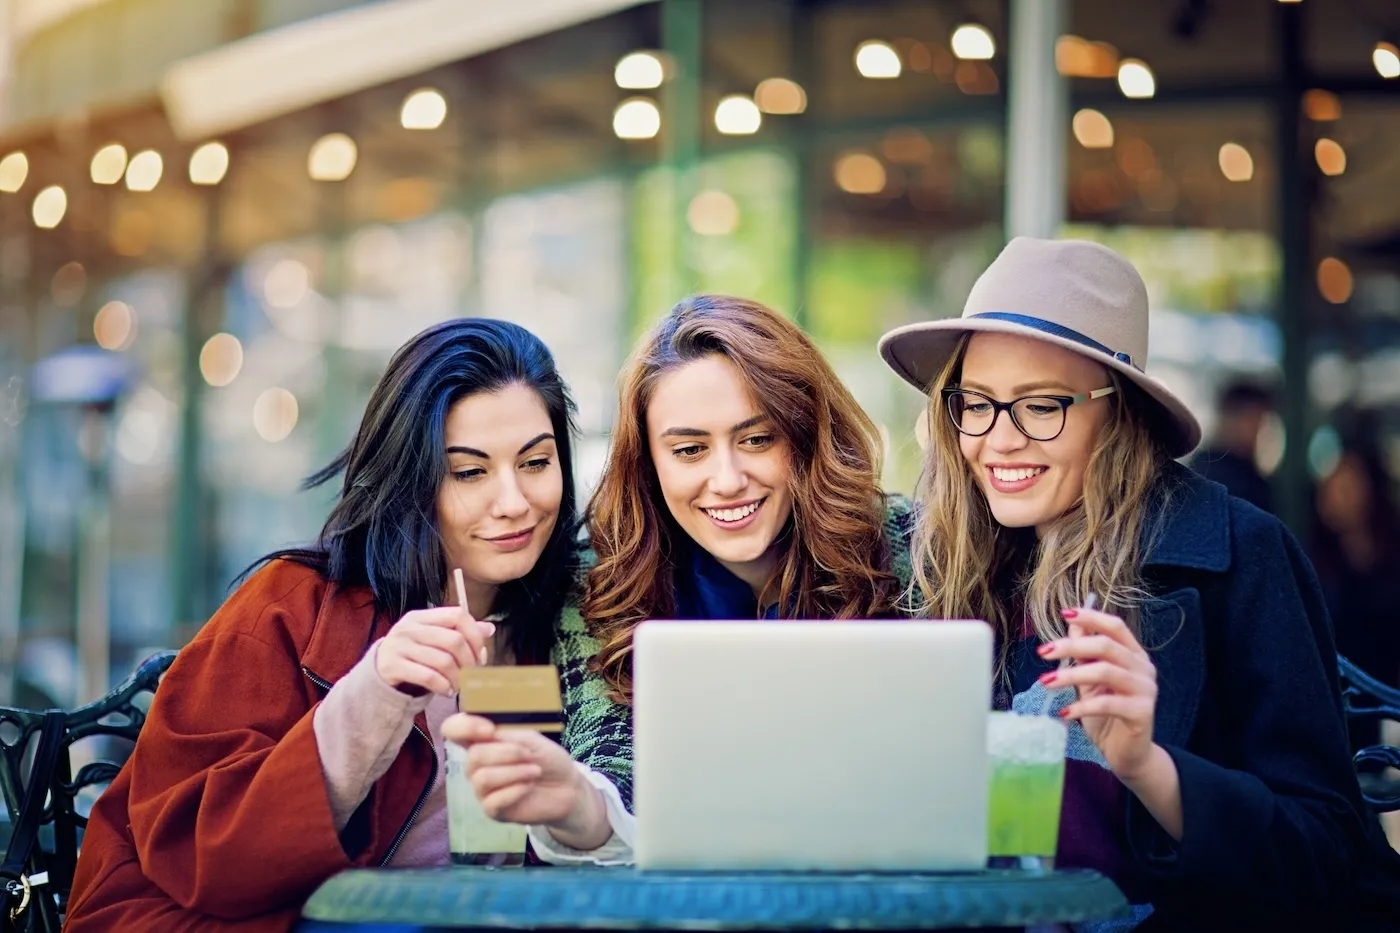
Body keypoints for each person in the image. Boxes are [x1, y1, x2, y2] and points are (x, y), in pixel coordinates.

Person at [876, 236, 1399, 931]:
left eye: (1041, 405)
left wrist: (1148, 765)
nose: (998, 438)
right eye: (976, 402)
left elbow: (1324, 858)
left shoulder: (1243, 554)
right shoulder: (934, 563)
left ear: (1120, 412)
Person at [66, 318, 581, 931]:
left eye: (535, 462)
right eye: (469, 471)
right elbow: (206, 857)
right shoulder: (291, 604)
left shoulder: (571, 623)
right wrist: (375, 693)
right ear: (412, 479)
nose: (515, 500)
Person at [444, 294, 913, 862]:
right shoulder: (597, 575)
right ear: (649, 462)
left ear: (806, 434)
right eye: (690, 450)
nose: (727, 479)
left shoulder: (908, 545)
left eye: (757, 439)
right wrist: (584, 808)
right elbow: (611, 765)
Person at [1312, 438, 1400, 752]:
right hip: (1338, 709)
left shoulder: (1391, 554)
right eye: (1329, 489)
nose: (1335, 498)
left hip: (1388, 705)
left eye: (1347, 487)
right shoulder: (1315, 559)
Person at [1188, 378, 1275, 513]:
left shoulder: (1245, 473)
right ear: (1229, 418)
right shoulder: (1213, 472)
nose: (1262, 431)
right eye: (1256, 421)